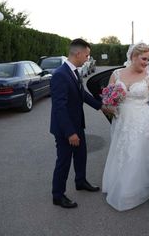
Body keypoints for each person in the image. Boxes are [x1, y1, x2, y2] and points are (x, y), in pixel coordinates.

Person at [102, 42, 149, 211]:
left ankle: (130, 190)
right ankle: (119, 182)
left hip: (143, 121)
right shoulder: (116, 74)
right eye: (143, 59)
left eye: (148, 60)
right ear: (133, 57)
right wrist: (109, 105)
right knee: (122, 151)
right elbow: (107, 95)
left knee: (136, 152)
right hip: (122, 119)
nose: (146, 63)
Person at [50, 38, 110, 208]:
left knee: (81, 155)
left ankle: (81, 181)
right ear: (78, 53)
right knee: (64, 161)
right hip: (65, 129)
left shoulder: (74, 71)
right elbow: (59, 108)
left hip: (77, 124)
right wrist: (70, 132)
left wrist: (101, 107)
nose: (88, 58)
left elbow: (82, 94)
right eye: (87, 55)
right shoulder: (60, 75)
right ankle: (58, 195)